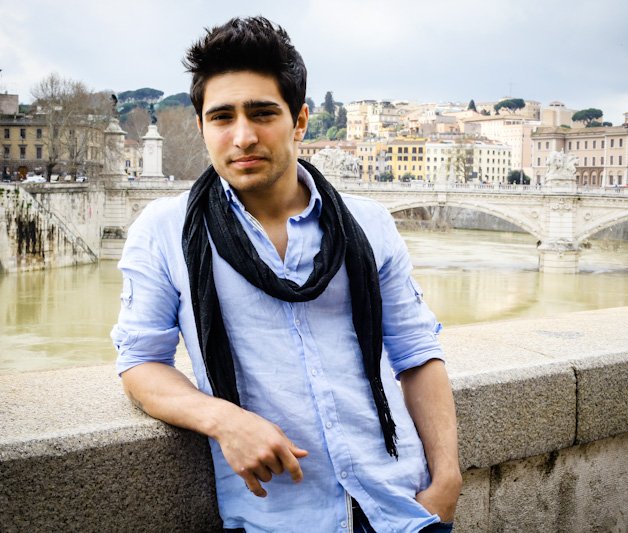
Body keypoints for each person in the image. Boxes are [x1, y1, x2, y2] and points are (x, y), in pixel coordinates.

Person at [111, 16, 461, 532]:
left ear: (299, 122)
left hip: (403, 507)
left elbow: (417, 352)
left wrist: (446, 480)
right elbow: (140, 363)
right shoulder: (163, 231)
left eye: (262, 113)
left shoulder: (368, 224)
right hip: (275, 517)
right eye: (222, 117)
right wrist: (224, 420)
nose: (243, 136)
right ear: (202, 127)